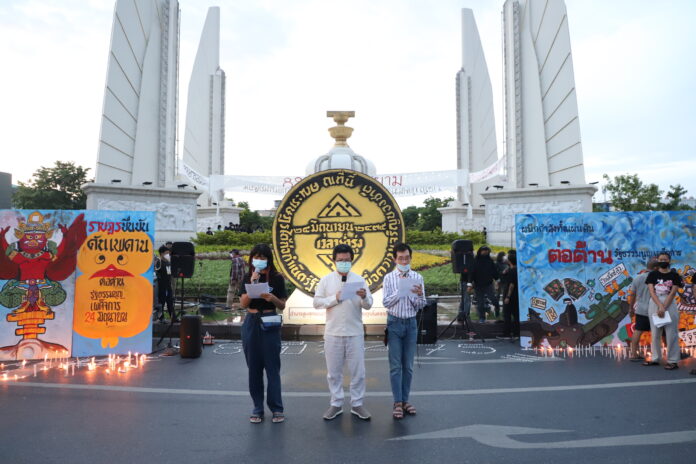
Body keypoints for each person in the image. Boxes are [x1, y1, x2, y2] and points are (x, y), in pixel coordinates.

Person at [313, 244, 373, 421]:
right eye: (340, 261)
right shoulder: (326, 280)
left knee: (358, 372)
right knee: (333, 372)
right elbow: (316, 303)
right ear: (334, 261)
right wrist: (335, 298)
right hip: (333, 333)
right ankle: (336, 403)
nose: (344, 263)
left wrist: (363, 297)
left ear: (352, 260)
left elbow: (369, 304)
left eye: (347, 260)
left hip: (354, 332)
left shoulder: (360, 280)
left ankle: (357, 404)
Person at [239, 244, 288, 423]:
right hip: (251, 322)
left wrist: (272, 298)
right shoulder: (247, 276)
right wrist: (253, 284)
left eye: (262, 257)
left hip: (270, 322)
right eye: (255, 256)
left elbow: (282, 305)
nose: (258, 260)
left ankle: (276, 408)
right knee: (254, 368)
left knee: (272, 367)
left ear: (268, 259)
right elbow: (243, 303)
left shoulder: (276, 278)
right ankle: (257, 408)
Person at [382, 243, 426, 419]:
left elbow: (421, 305)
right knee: (395, 367)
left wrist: (419, 295)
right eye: (400, 258)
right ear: (394, 259)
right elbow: (386, 303)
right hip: (394, 323)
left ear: (410, 258)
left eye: (407, 257)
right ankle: (397, 402)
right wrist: (400, 291)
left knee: (408, 366)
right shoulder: (388, 278)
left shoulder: (417, 277)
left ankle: (406, 400)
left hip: (411, 323)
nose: (404, 260)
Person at [644, 252, 683, 370]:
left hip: (669, 303)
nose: (663, 261)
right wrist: (659, 306)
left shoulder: (675, 275)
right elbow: (651, 291)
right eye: (661, 259)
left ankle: (673, 360)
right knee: (655, 333)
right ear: (658, 261)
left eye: (665, 259)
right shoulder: (652, 274)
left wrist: (663, 307)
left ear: (669, 261)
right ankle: (655, 358)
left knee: (671, 334)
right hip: (655, 302)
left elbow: (673, 292)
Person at [628, 259, 657, 361]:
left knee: (638, 331)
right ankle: (657, 354)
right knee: (659, 332)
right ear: (656, 268)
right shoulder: (657, 278)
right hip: (655, 309)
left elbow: (632, 295)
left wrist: (630, 308)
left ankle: (633, 354)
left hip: (641, 309)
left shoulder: (638, 278)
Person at [469, 246, 499, 322]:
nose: (485, 252)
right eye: (484, 250)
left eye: (487, 251)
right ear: (480, 251)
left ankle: (497, 307)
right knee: (480, 302)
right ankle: (482, 318)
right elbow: (472, 273)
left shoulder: (490, 261)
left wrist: (497, 280)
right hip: (478, 285)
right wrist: (469, 284)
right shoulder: (475, 261)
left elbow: (494, 271)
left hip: (488, 284)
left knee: (493, 298)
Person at [498, 253, 519, 339]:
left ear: (509, 260)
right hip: (516, 295)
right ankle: (516, 333)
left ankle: (507, 333)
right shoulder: (516, 269)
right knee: (516, 314)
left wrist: (507, 297)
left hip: (510, 295)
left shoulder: (511, 271)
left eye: (507, 257)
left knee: (507, 314)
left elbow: (511, 284)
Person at [155, 245, 177, 323]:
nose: (168, 255)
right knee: (162, 302)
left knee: (170, 302)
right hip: (161, 286)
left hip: (168, 285)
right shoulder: (159, 262)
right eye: (166, 253)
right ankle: (161, 318)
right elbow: (156, 273)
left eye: (168, 253)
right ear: (161, 253)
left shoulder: (168, 262)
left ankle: (173, 317)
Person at [494, 251, 509, 319]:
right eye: (504, 255)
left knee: (504, 297)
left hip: (505, 282)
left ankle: (504, 312)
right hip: (499, 282)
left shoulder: (506, 263)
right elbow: (495, 273)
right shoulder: (497, 263)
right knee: (497, 296)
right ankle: (497, 312)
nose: (505, 257)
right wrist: (502, 272)